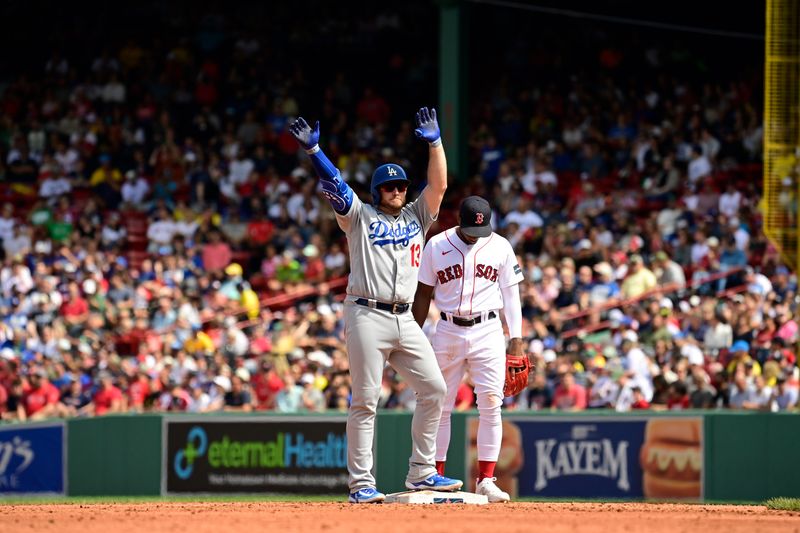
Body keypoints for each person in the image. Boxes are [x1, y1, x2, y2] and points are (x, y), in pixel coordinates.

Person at [289, 107, 461, 504]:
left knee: (435, 389)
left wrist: (435, 143)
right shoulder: (359, 217)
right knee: (366, 399)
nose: (397, 191)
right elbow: (335, 185)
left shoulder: (418, 216)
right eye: (389, 188)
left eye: (401, 186)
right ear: (377, 192)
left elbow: (439, 185)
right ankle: (361, 483)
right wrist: (315, 152)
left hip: (406, 319)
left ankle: (422, 473)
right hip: (366, 313)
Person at [412, 195, 524, 502]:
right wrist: (411, 331)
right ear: (459, 222)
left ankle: (486, 479)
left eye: (482, 230)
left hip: (488, 329)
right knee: (439, 405)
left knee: (491, 404)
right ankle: (432, 476)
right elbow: (423, 293)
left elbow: (511, 295)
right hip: (447, 329)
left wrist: (517, 337)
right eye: (471, 230)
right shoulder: (437, 244)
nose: (477, 236)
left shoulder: (500, 245)